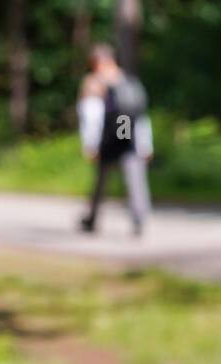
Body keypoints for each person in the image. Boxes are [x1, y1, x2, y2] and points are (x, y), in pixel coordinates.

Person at [77, 44, 153, 236]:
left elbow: (91, 115)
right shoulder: (128, 80)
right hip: (127, 131)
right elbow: (140, 115)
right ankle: (139, 217)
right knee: (134, 176)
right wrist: (145, 143)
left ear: (97, 62)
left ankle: (92, 218)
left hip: (110, 135)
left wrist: (90, 144)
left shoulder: (95, 82)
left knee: (102, 179)